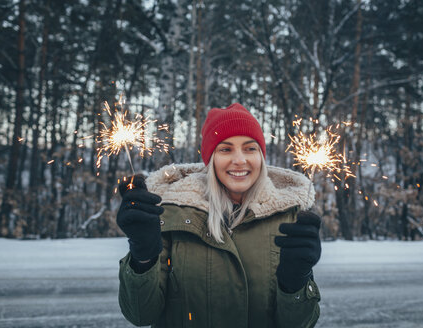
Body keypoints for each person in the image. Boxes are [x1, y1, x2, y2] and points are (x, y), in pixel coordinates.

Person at [116, 103, 322, 328]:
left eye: (250, 148)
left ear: (261, 156)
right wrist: (142, 257)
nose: (240, 160)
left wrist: (296, 283)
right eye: (226, 149)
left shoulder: (289, 219)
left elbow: (300, 324)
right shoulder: (170, 212)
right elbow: (141, 315)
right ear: (210, 158)